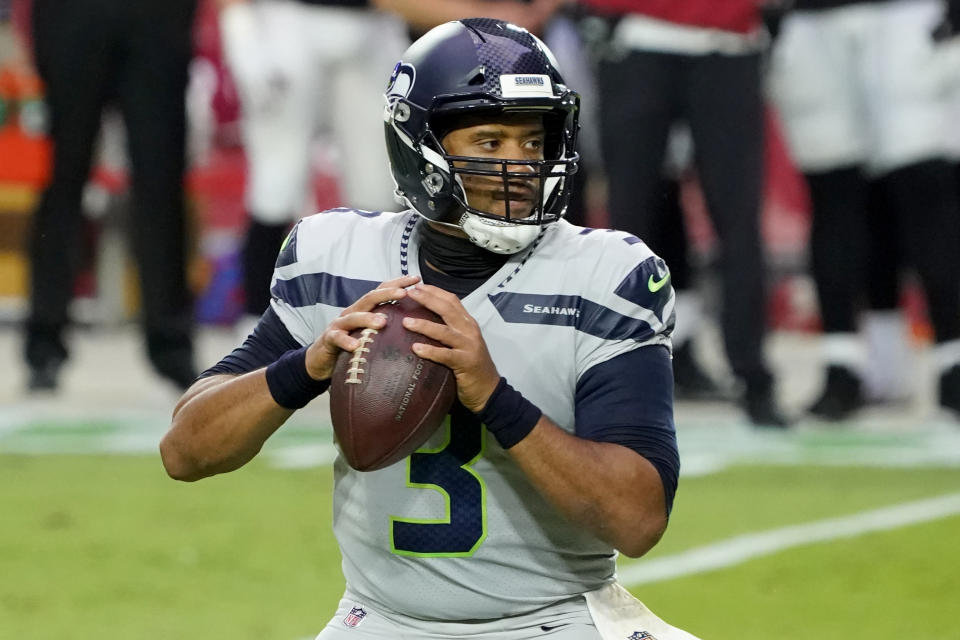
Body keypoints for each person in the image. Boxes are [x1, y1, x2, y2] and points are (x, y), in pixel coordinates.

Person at [161, 19, 699, 640]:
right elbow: (185, 451)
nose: (520, 166)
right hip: (381, 620)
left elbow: (637, 520)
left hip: (558, 618)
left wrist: (493, 396)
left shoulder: (605, 273)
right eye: (491, 142)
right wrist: (305, 366)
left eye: (534, 141)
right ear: (420, 146)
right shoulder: (336, 255)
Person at [578, 0, 790, 427]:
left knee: (737, 220)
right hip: (635, 33)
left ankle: (753, 376)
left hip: (728, 37)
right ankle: (612, 378)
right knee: (629, 224)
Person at [769, 0, 960, 419]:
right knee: (834, 196)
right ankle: (843, 366)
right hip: (811, 20)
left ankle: (952, 363)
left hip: (907, 16)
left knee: (927, 190)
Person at [23, 0, 198, 391]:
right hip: (73, 14)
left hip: (156, 15)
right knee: (64, 176)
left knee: (162, 177)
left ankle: (172, 344)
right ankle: (44, 342)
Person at [217, 0, 409, 327]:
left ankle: (380, 321)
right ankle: (255, 324)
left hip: (374, 25)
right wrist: (240, 26)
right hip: (287, 19)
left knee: (378, 192)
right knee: (276, 182)